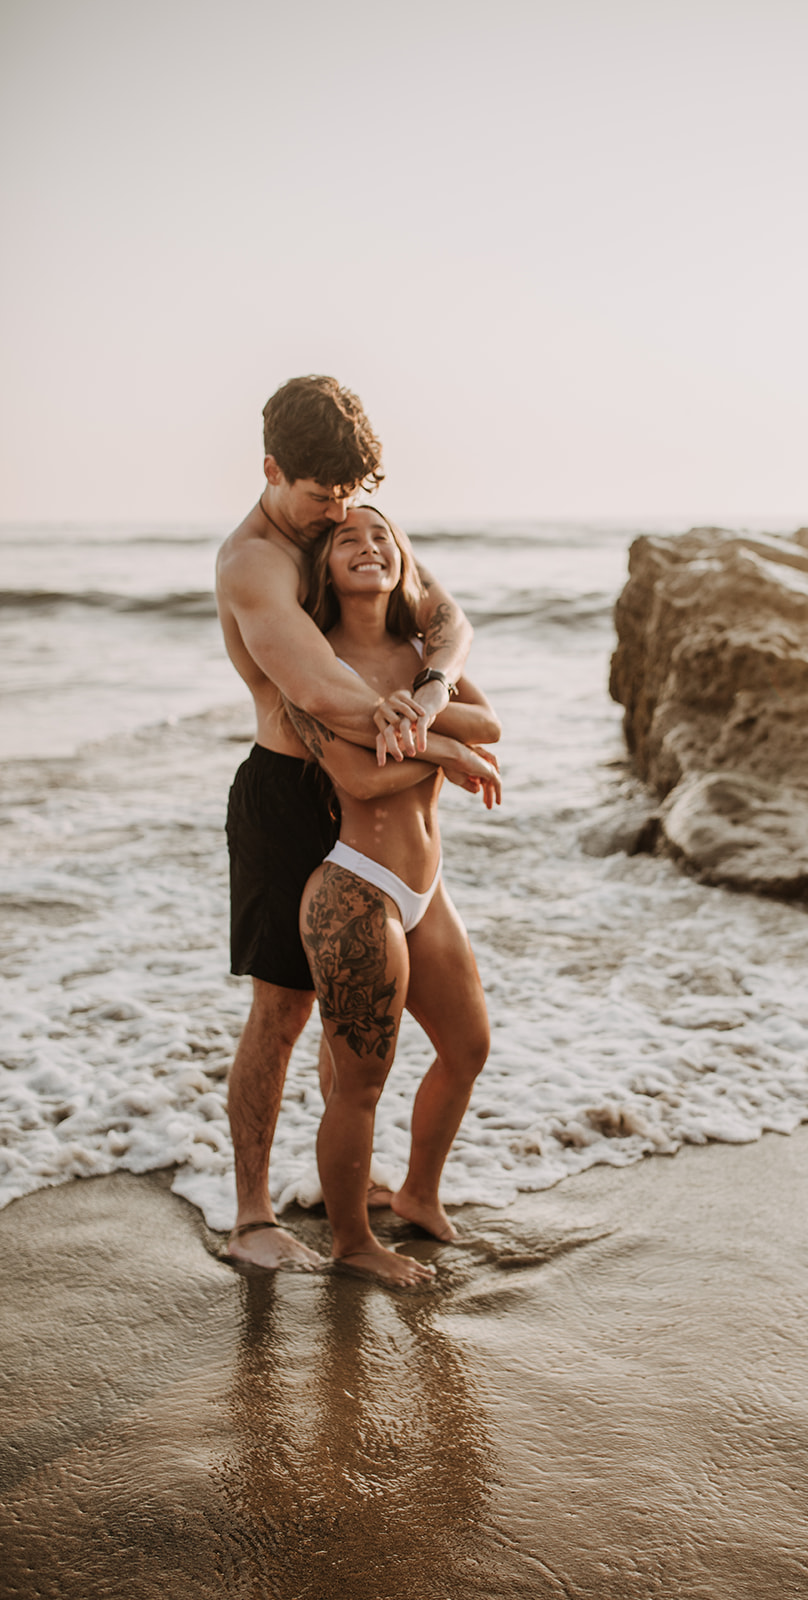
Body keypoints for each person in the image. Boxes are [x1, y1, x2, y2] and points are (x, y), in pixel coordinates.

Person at [216, 376, 473, 1271]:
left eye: (352, 492)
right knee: (281, 1012)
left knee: (356, 1015)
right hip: (292, 793)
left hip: (379, 795)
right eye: (320, 493)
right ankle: (252, 1211)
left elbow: (447, 620)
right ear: (271, 468)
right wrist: (444, 745)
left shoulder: (346, 516)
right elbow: (325, 692)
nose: (339, 510)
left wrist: (431, 693)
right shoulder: (253, 562)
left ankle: (342, 1182)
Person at [284, 504, 501, 1287]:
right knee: (361, 1082)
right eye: (347, 538)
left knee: (468, 1046)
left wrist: (428, 709)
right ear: (326, 569)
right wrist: (443, 749)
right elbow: (357, 775)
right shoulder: (311, 661)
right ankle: (350, 1243)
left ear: (401, 559)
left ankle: (415, 1193)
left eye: (382, 536)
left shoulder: (420, 651)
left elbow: (492, 723)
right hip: (355, 890)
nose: (368, 546)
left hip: (424, 890)